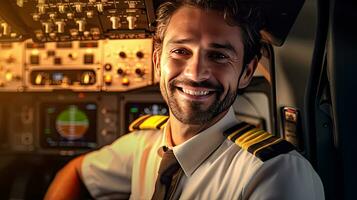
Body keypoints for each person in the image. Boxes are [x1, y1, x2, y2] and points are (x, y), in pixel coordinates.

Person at [45, 0, 325, 199]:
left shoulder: (275, 173)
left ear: (246, 72)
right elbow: (75, 172)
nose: (195, 73)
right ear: (157, 61)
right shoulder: (142, 146)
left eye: (218, 55)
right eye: (180, 51)